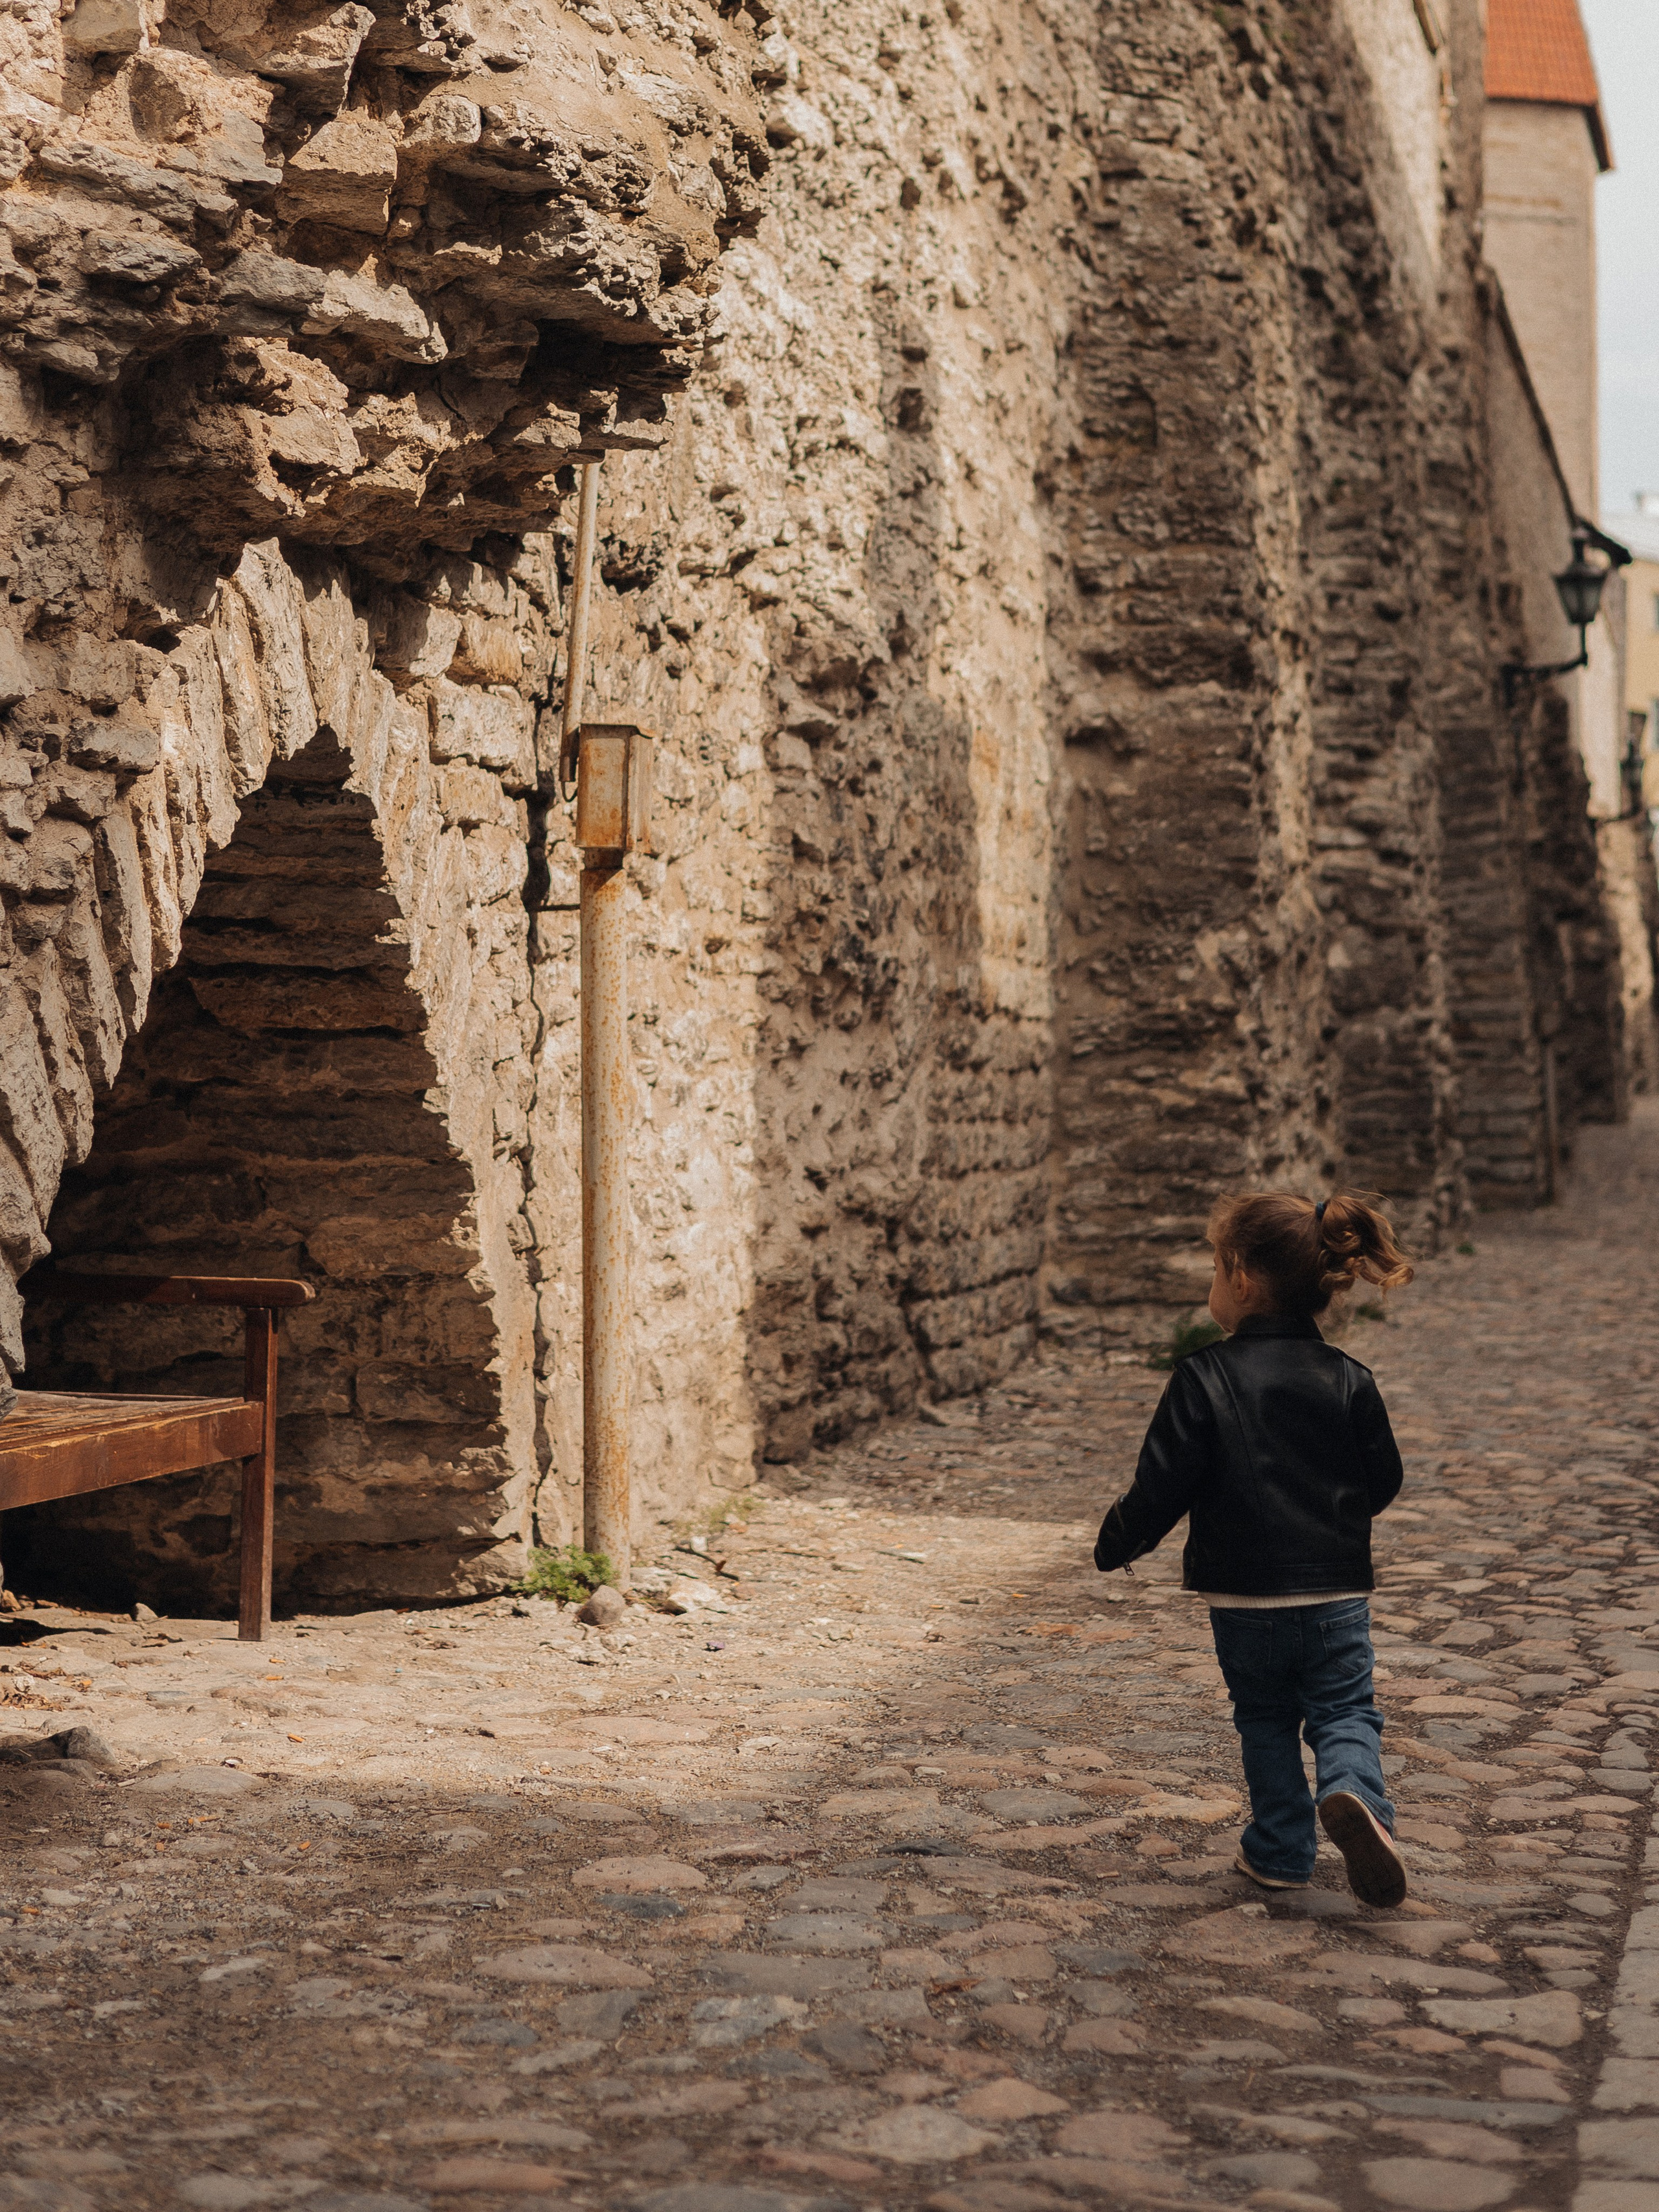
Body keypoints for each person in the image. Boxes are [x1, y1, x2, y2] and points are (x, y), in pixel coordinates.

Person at [1094, 1191, 1413, 1907]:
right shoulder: (1350, 1379)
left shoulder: (1201, 1377)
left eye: (1215, 1265)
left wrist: (1117, 1541)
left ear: (1239, 1278)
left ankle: (1278, 1848)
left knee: (1264, 1716)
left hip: (1243, 1598)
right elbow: (1382, 1479)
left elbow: (1159, 1486)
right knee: (1345, 1710)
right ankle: (1353, 1791)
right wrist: (1334, 1526)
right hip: (1333, 1593)